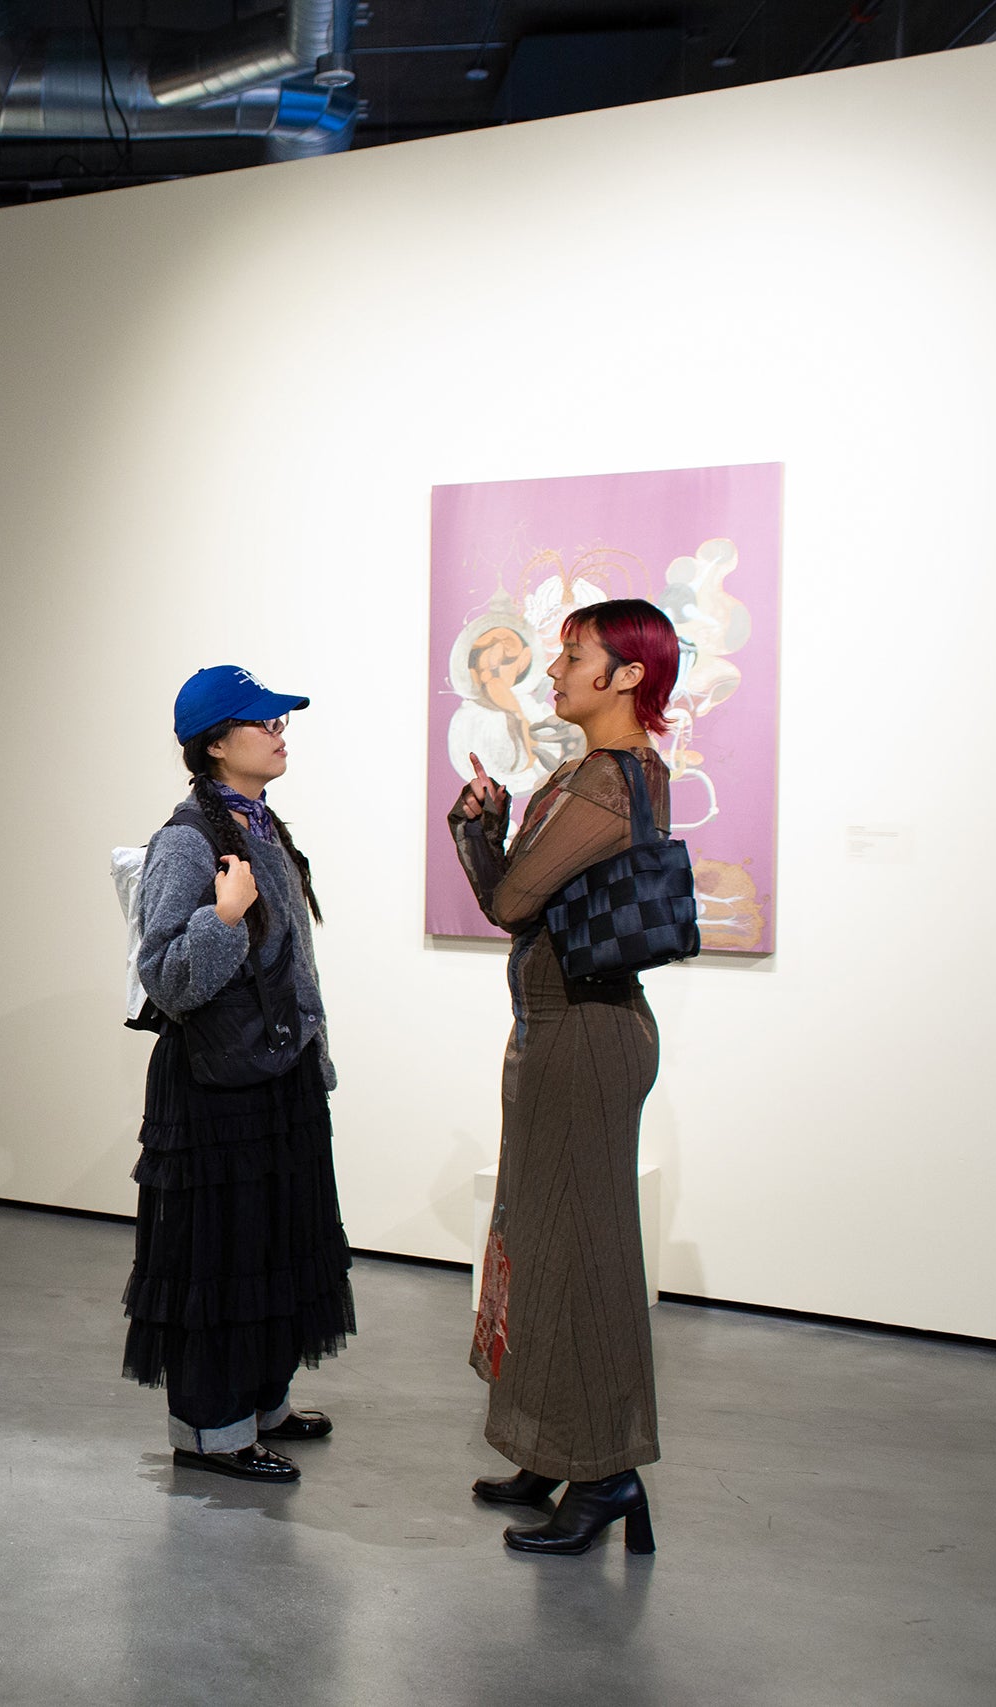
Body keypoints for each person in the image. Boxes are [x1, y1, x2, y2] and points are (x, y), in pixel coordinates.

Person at [446, 598, 679, 1556]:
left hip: (584, 1035)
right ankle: (550, 1445)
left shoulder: (608, 783)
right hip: (562, 1029)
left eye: (574, 656)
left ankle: (609, 1473)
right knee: (541, 1241)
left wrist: (481, 832)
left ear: (625, 675)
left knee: (584, 1251)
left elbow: (511, 899)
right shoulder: (596, 774)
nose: (554, 671)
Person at [123, 666, 355, 1483]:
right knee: (220, 1258)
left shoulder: (260, 824)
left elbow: (293, 963)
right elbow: (167, 976)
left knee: (277, 1242)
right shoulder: (188, 838)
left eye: (281, 720)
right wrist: (222, 919)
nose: (280, 732)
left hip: (275, 1077)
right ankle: (213, 1432)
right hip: (219, 1089)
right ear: (217, 742)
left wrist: (312, 1054)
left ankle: (264, 1401)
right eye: (264, 722)